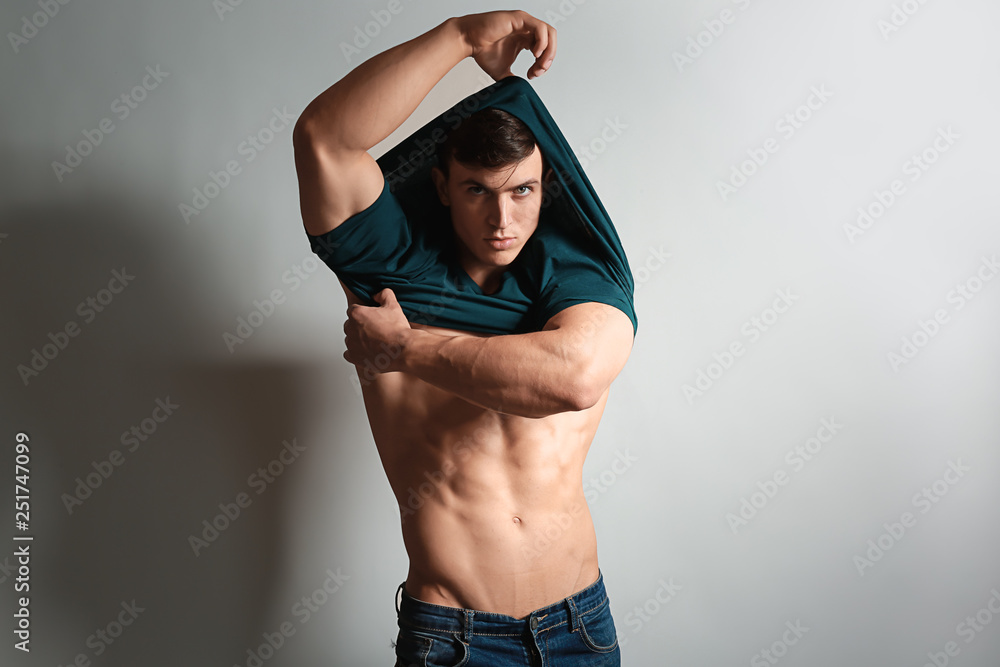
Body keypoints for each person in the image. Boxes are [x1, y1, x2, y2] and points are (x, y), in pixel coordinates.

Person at [293, 9, 633, 666]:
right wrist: (457, 38)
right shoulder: (393, 269)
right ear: (442, 185)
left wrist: (404, 349)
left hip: (580, 624)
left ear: (547, 187)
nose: (502, 218)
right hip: (455, 635)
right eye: (478, 190)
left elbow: (574, 377)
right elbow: (323, 139)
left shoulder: (578, 271)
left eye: (523, 191)